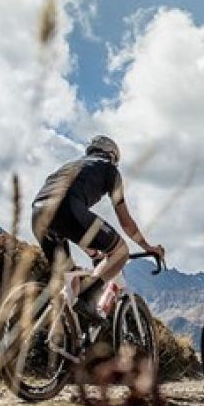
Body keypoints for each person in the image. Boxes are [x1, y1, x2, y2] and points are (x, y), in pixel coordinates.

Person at [32, 135, 164, 323]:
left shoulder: (71, 166)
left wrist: (94, 254)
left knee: (71, 283)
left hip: (37, 211)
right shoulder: (109, 170)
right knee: (120, 251)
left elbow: (75, 228)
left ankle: (58, 333)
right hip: (67, 209)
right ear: (113, 156)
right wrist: (147, 246)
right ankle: (88, 296)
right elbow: (125, 221)